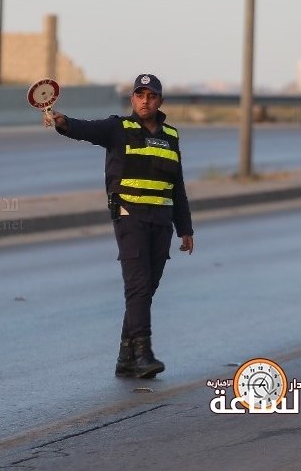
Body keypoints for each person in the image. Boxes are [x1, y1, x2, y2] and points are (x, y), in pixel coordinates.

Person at [44, 74, 194, 379]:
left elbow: (177, 185)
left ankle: (126, 356)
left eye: (151, 96)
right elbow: (84, 129)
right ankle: (143, 353)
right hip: (131, 218)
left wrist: (185, 228)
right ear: (132, 100)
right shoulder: (117, 128)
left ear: (160, 101)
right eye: (139, 95)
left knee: (147, 288)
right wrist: (62, 122)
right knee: (138, 286)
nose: (145, 101)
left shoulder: (171, 136)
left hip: (162, 222)